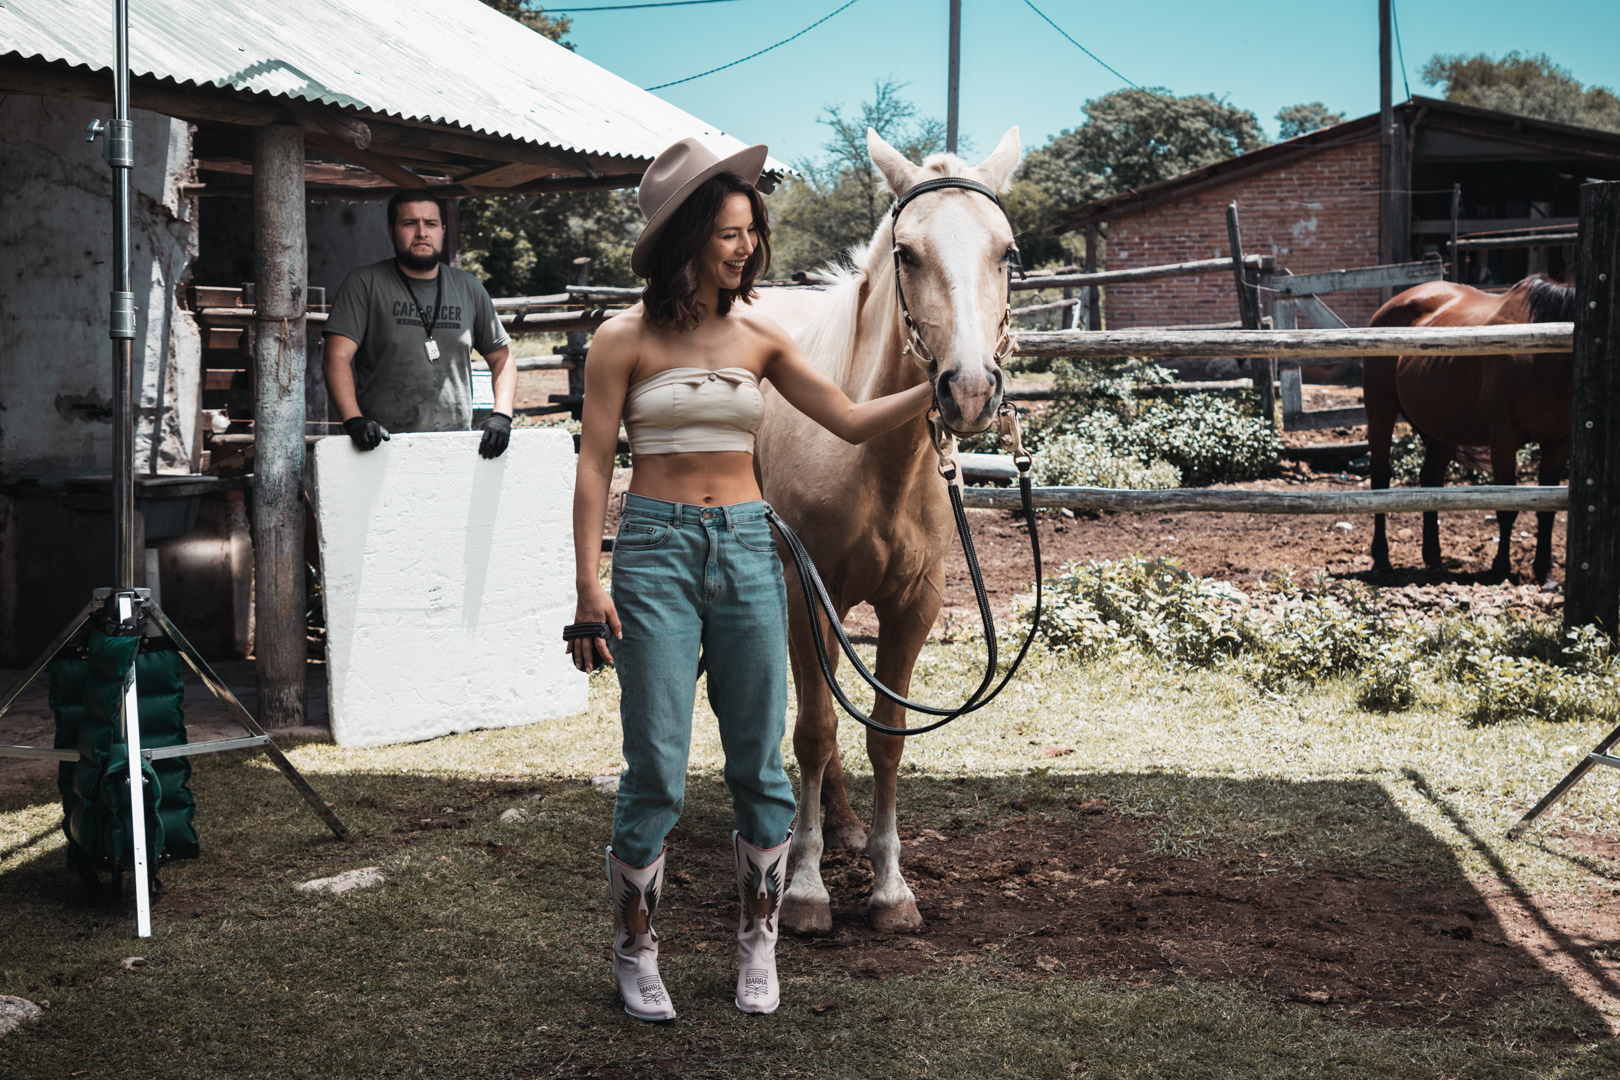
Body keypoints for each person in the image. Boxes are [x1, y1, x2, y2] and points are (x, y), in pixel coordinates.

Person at [566, 138, 934, 1021]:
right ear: (687, 236)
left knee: (760, 766)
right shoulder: (621, 339)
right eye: (729, 232)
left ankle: (758, 944)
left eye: (752, 232)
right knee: (656, 767)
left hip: (745, 545)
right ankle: (635, 949)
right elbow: (593, 469)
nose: (746, 247)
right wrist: (589, 585)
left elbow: (848, 419)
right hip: (654, 550)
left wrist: (946, 387)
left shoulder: (763, 333)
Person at [322, 191, 516, 458]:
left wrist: (502, 415)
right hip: (380, 448)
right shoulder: (365, 283)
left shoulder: (468, 286)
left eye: (431, 223)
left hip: (456, 447)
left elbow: (501, 358)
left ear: (443, 231)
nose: (422, 232)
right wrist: (354, 419)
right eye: (410, 223)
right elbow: (336, 357)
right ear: (391, 231)